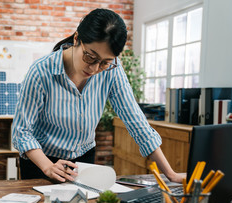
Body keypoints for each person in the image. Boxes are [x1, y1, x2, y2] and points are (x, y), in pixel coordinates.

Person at [12, 8, 184, 183]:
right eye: (90, 57)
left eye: (104, 62)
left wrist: (171, 174)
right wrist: (48, 166)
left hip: (83, 162)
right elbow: (21, 132)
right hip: (41, 162)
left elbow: (137, 122)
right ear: (77, 39)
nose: (94, 69)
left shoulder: (112, 71)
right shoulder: (41, 71)